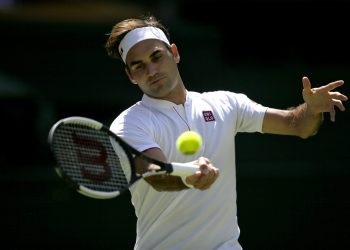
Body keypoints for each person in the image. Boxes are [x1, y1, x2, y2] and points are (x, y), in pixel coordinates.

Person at [105, 15, 347, 250]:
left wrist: (312, 109)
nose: (151, 70)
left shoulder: (225, 104)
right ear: (130, 76)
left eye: (157, 56)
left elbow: (298, 125)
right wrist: (189, 176)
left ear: (175, 53)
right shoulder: (128, 124)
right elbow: (155, 174)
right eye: (139, 66)